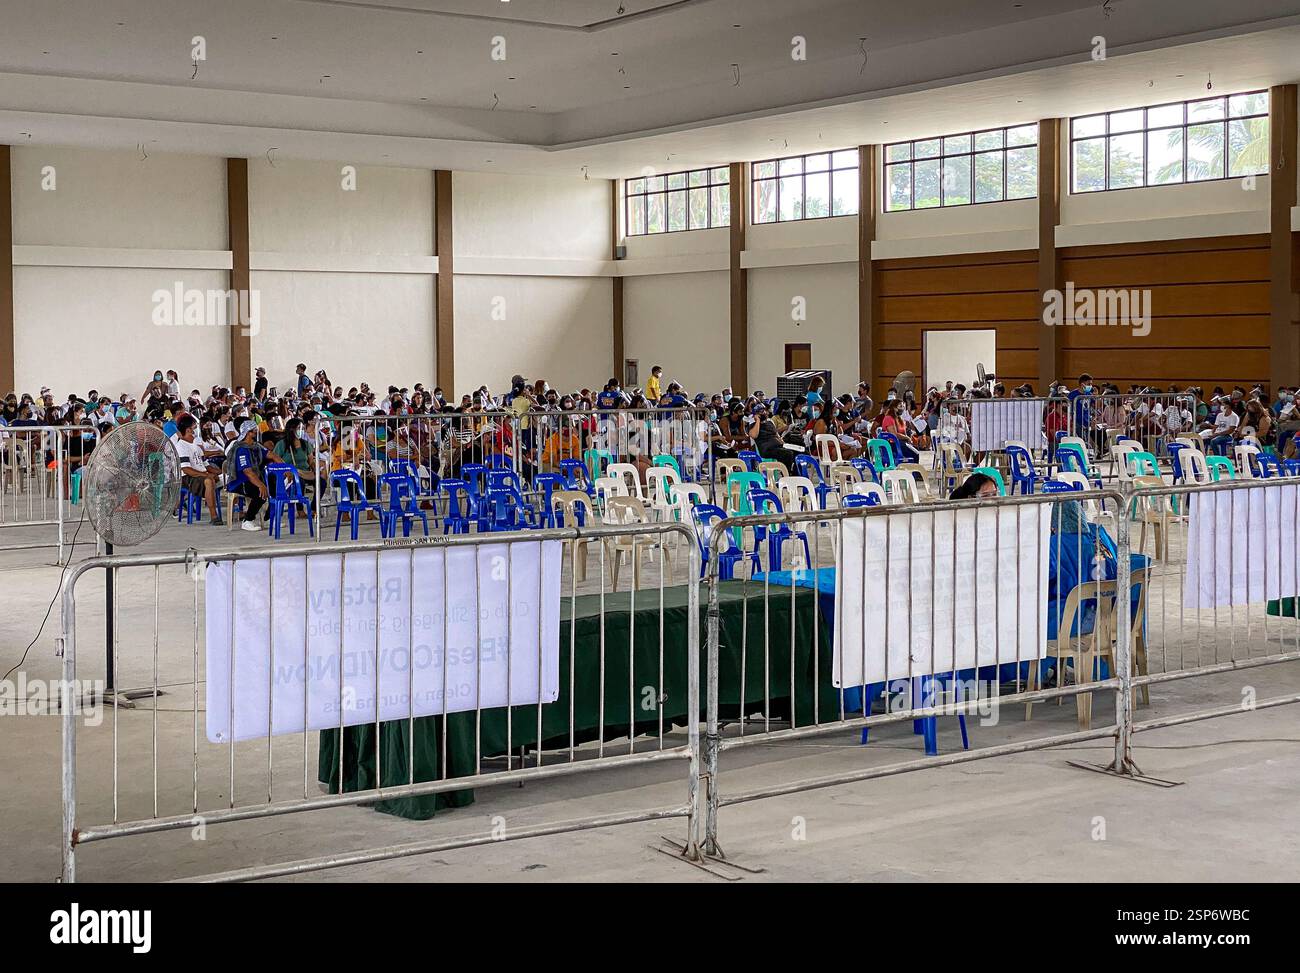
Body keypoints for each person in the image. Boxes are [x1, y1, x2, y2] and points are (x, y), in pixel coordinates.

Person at [173, 414, 223, 525]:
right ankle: (214, 516)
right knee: (209, 481)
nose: (196, 430)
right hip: (188, 478)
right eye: (194, 427)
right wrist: (207, 475)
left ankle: (239, 510)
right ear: (188, 430)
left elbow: (207, 466)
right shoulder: (181, 446)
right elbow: (186, 469)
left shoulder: (195, 445)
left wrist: (221, 472)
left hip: (200, 474)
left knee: (227, 478)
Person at [225, 421, 269, 531]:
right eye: (254, 431)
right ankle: (247, 521)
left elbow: (272, 455)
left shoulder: (256, 446)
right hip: (239, 482)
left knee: (275, 488)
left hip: (252, 479)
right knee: (260, 493)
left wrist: (285, 468)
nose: (256, 433)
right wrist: (261, 485)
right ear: (248, 433)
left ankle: (268, 518)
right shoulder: (241, 450)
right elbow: (248, 472)